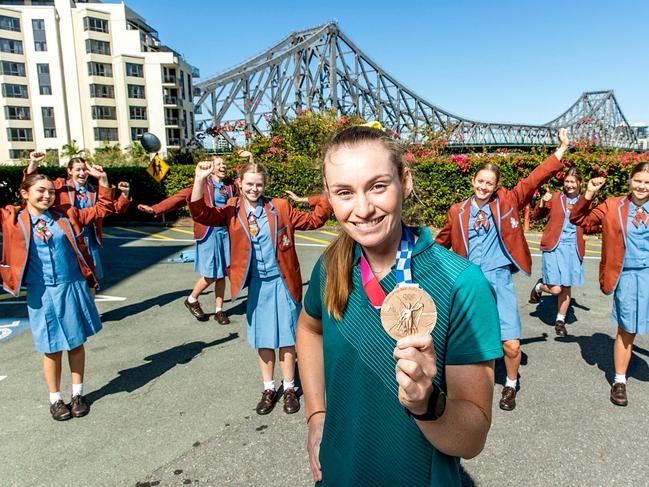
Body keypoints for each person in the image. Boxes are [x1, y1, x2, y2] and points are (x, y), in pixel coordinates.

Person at [296, 125, 503, 486]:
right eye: (344, 192)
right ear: (328, 196)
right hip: (337, 473)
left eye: (377, 186)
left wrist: (427, 402)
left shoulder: (462, 283)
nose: (362, 209)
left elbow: (472, 439)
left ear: (404, 181)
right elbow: (309, 327)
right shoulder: (331, 267)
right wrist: (316, 414)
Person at [435, 128, 570, 411]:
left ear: (496, 186)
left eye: (489, 183)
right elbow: (441, 243)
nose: (484, 187)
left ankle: (510, 384)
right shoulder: (457, 211)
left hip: (499, 280)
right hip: (468, 283)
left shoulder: (507, 201)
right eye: (480, 181)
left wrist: (561, 150)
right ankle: (455, 386)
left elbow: (535, 178)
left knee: (510, 344)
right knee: (459, 340)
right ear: (473, 180)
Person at [188, 157, 331, 415]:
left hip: (283, 282)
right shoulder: (232, 209)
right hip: (256, 284)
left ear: (265, 186)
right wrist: (200, 180)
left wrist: (311, 198)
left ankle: (289, 388)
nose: (255, 189)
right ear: (240, 183)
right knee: (264, 339)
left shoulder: (280, 207)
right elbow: (202, 214)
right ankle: (268, 388)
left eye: (259, 184)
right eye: (250, 184)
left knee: (288, 338)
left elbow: (315, 221)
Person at [0, 170, 115, 421]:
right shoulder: (13, 219)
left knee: (75, 343)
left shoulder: (66, 215)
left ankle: (77, 395)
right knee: (50, 348)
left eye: (51, 191)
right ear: (24, 194)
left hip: (71, 285)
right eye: (41, 191)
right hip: (41, 292)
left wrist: (104, 182)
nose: (47, 195)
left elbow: (102, 209)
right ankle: (55, 399)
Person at [569, 162, 649, 407]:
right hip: (626, 275)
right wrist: (590, 192)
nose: (642, 186)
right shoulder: (613, 205)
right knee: (627, 329)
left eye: (647, 182)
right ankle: (620, 380)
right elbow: (578, 218)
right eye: (638, 180)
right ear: (630, 181)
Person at [138, 154, 238, 324]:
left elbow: (246, 184)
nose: (223, 166)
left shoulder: (230, 185)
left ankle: (219, 310)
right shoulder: (201, 185)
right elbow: (177, 199)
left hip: (225, 233)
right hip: (208, 233)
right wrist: (155, 210)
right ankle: (192, 299)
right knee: (211, 273)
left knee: (222, 273)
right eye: (218, 164)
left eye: (224, 163)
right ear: (211, 168)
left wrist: (250, 158)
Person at [25, 153, 132, 287]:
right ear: (69, 171)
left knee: (91, 278)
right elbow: (33, 185)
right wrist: (33, 164)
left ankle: (89, 305)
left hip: (89, 239)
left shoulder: (94, 190)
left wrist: (124, 194)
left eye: (84, 169)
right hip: (68, 237)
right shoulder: (59, 186)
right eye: (78, 169)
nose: (82, 173)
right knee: (71, 276)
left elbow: (111, 208)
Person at [528, 168, 599, 336]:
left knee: (566, 286)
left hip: (573, 248)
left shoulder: (586, 200)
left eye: (573, 182)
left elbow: (590, 223)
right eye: (567, 181)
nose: (569, 185)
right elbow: (536, 216)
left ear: (580, 183)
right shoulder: (554, 197)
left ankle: (560, 320)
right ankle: (539, 286)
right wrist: (542, 202)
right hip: (554, 246)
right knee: (556, 289)